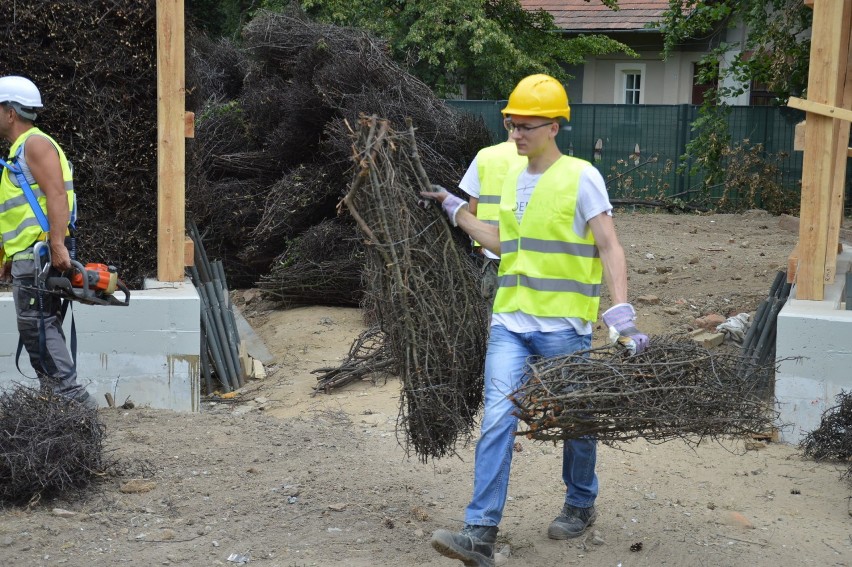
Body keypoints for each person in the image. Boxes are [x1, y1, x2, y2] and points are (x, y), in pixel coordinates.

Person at [423, 74, 648, 567]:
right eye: (511, 123)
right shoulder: (514, 180)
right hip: (511, 322)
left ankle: (580, 501)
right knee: (498, 419)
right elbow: (506, 246)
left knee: (576, 418)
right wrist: (455, 207)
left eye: (525, 125)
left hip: (564, 328)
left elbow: (609, 246)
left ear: (554, 127)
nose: (516, 133)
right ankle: (479, 533)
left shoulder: (581, 177)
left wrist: (621, 315)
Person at [0, 75, 97, 410]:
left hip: (42, 254)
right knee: (37, 328)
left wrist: (57, 244)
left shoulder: (34, 145)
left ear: (10, 113)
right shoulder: (20, 152)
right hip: (30, 255)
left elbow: (57, 194)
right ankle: (58, 400)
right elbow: (25, 209)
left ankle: (72, 401)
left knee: (39, 327)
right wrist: (10, 256)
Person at [458, 137, 526, 301]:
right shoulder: (541, 159)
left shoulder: (484, 156)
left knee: (496, 318)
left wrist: (479, 243)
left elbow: (472, 209)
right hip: (529, 254)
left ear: (505, 122)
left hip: (493, 250)